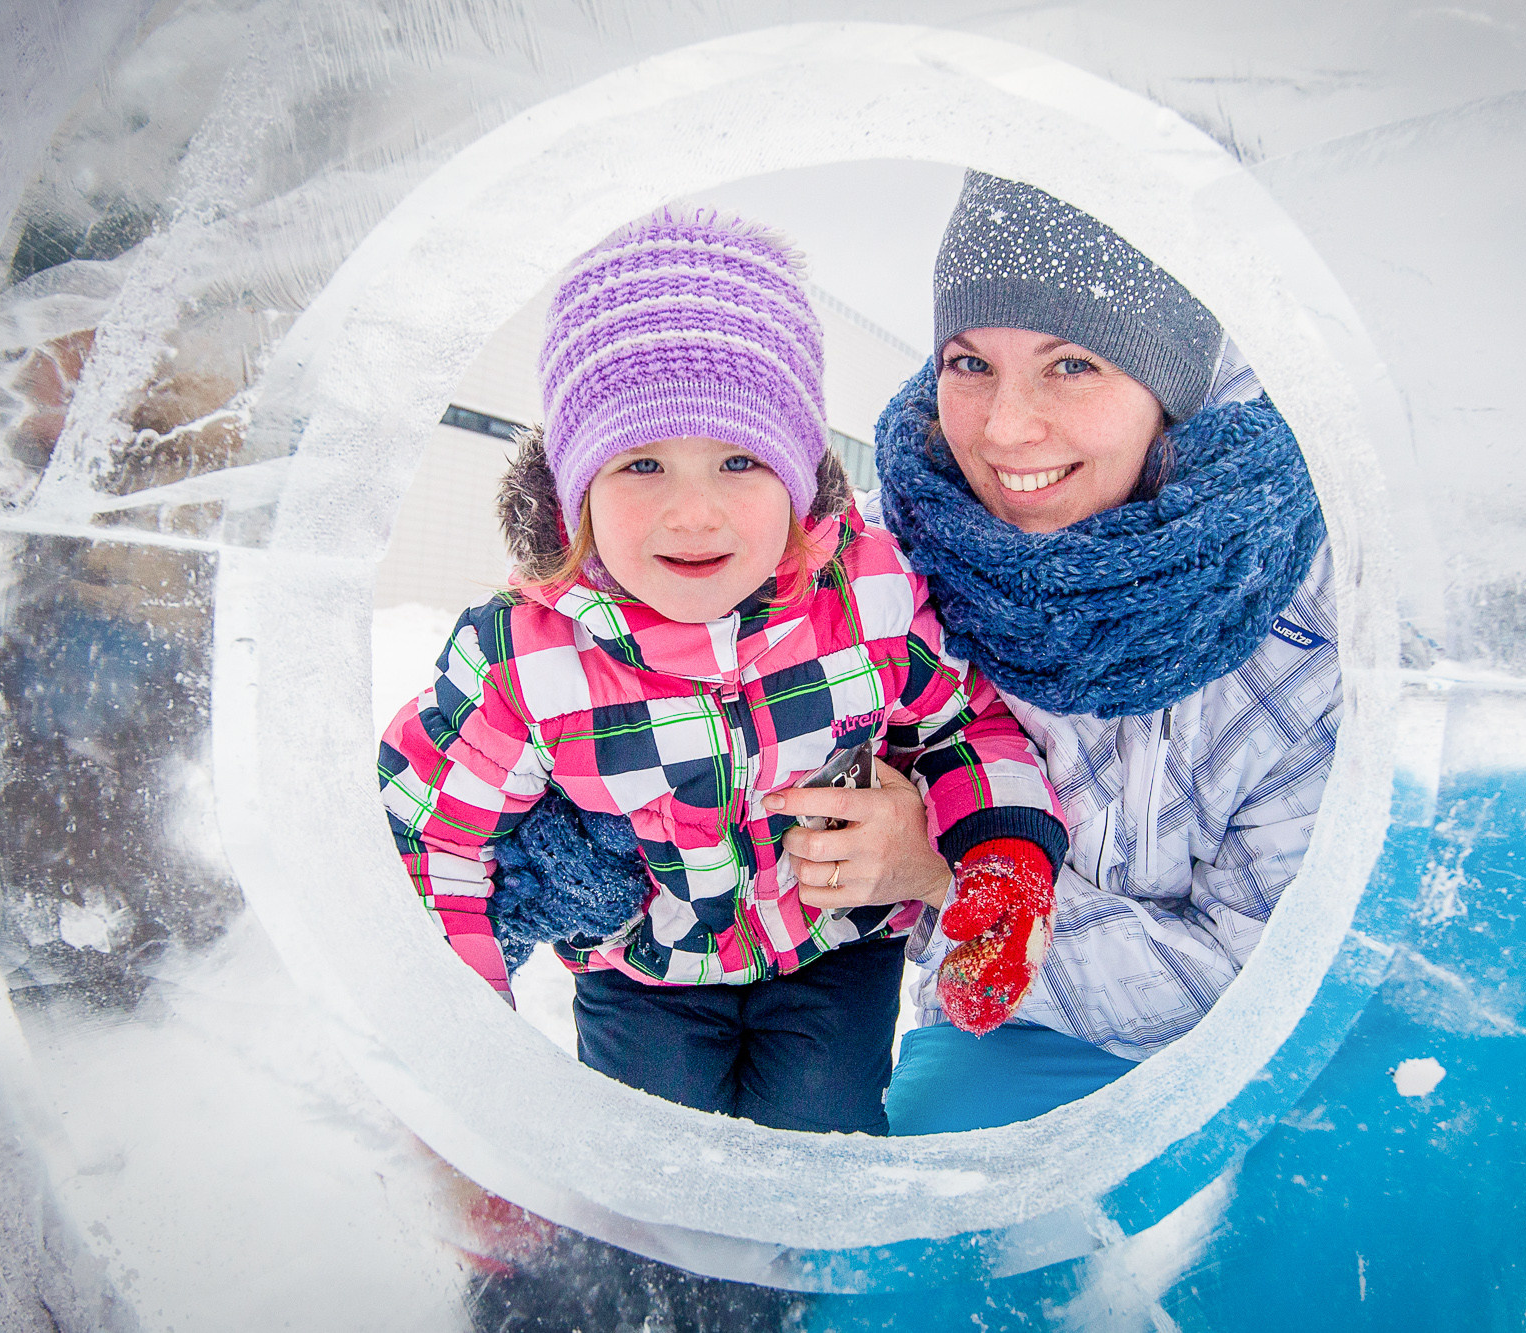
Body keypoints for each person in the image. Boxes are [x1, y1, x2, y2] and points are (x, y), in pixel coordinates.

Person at [376, 209, 1068, 1135]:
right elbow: (434, 838)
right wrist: (465, 1064)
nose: (694, 513)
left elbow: (962, 725)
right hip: (645, 973)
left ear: (795, 474)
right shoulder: (527, 658)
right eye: (643, 463)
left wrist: (1001, 856)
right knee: (657, 1170)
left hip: (834, 949)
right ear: (574, 486)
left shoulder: (864, 595)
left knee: (818, 1143)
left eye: (740, 459)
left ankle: (804, 1276)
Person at [765, 172, 1337, 1133]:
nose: (1004, 427)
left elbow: (1257, 987)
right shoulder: (883, 576)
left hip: (1259, 1078)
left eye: (1073, 364)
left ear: (1170, 386)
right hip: (997, 1021)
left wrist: (949, 876)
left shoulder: (1293, 601)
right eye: (969, 362)